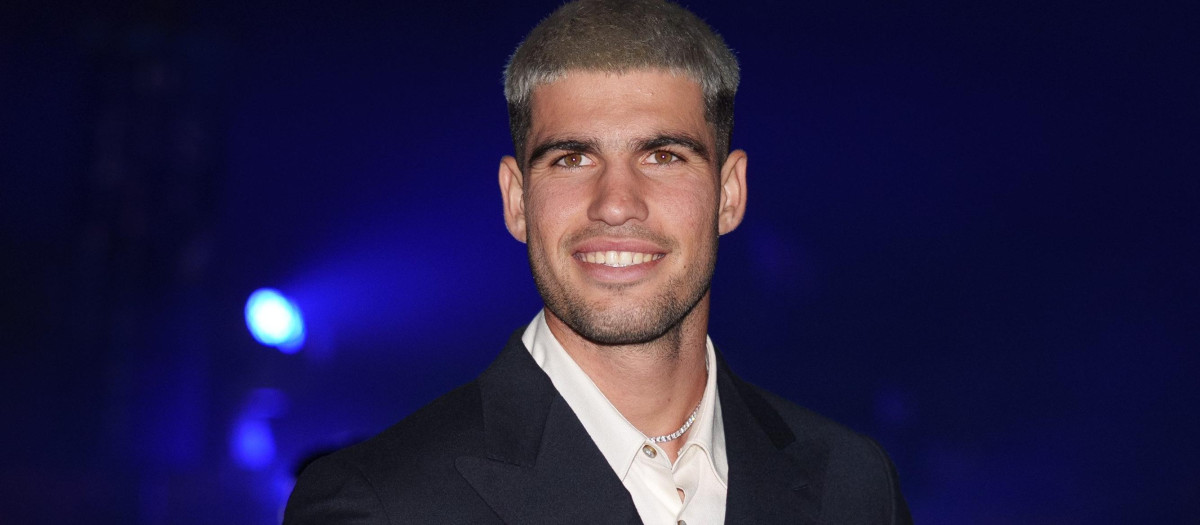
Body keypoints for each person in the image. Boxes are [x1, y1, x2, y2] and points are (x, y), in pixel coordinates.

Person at [284, 0, 911, 523]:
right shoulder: (380, 505)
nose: (615, 204)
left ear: (729, 193)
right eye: (572, 159)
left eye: (663, 156)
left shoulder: (854, 488)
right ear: (516, 200)